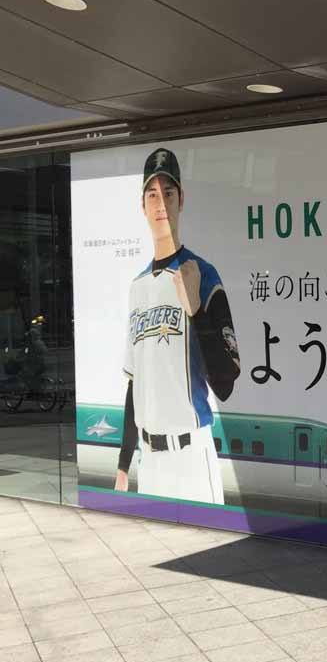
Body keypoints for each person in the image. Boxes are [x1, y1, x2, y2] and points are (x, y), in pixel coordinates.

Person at [114, 147, 240, 503]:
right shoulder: (137, 287)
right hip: (148, 460)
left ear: (180, 199)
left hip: (191, 456)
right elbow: (133, 384)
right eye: (151, 194)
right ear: (142, 206)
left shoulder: (203, 274)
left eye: (167, 193)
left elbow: (226, 382)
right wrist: (124, 465)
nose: (160, 203)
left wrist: (197, 313)